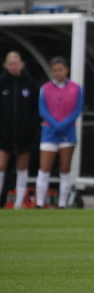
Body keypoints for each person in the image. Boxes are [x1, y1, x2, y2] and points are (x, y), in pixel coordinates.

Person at [35, 57, 83, 209]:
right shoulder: (45, 88)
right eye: (55, 70)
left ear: (66, 70)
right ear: (51, 72)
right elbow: (42, 109)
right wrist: (55, 124)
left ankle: (62, 204)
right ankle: (39, 203)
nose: (58, 73)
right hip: (50, 131)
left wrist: (64, 124)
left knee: (65, 168)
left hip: (67, 132)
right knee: (44, 168)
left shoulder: (76, 88)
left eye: (60, 70)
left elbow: (77, 109)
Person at [0, 51, 40, 209]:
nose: (13, 67)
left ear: (22, 65)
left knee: (22, 167)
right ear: (6, 66)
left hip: (24, 135)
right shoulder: (2, 84)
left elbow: (36, 110)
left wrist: (31, 128)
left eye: (16, 64)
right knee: (1, 166)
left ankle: (18, 203)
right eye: (10, 64)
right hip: (4, 135)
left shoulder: (31, 85)